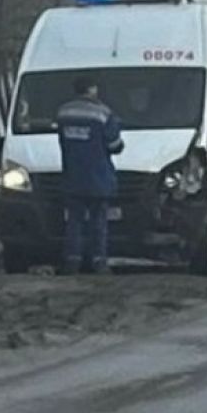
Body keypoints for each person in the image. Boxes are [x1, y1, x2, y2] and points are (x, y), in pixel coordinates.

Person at [57, 75, 124, 275]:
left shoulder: (64, 113)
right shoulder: (103, 113)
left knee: (74, 222)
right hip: (98, 176)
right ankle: (99, 261)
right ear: (92, 89)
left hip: (73, 176)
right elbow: (115, 145)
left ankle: (72, 261)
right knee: (98, 221)